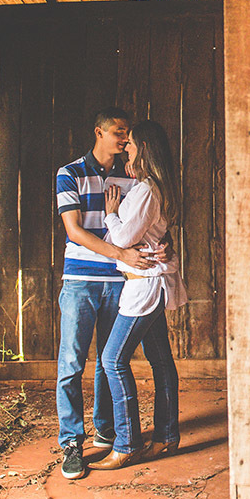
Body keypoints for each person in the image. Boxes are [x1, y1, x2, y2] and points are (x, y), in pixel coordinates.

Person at [54, 107, 162, 480]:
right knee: (71, 361)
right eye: (118, 131)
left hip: (121, 281)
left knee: (107, 360)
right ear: (98, 132)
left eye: (128, 133)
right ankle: (71, 442)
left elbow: (142, 225)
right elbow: (75, 231)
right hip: (80, 279)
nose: (124, 138)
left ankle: (106, 431)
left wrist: (159, 250)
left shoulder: (131, 175)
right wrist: (121, 253)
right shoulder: (69, 173)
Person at [89, 120, 189, 470]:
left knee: (112, 360)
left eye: (130, 144)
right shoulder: (153, 187)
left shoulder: (146, 190)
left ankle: (128, 443)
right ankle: (165, 437)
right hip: (149, 283)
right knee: (161, 362)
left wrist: (111, 214)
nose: (126, 149)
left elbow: (121, 238)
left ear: (143, 148)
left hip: (143, 286)